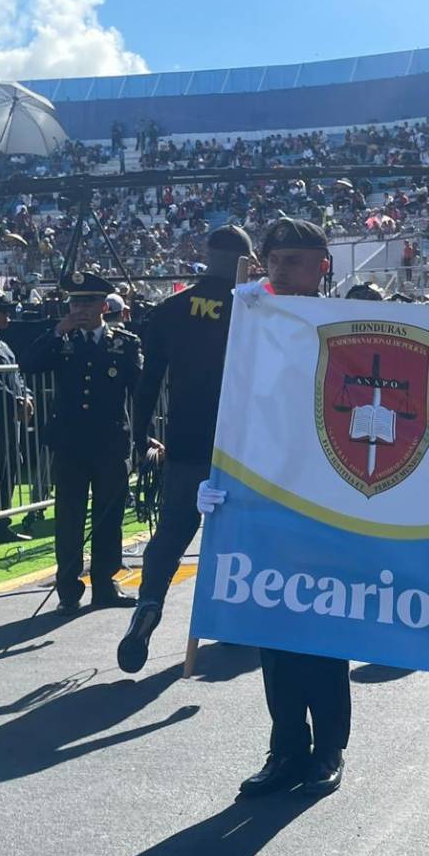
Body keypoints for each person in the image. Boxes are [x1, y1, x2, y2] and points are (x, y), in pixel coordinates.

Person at [196, 218, 352, 797]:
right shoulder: (249, 321)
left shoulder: (349, 324)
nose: (280, 269)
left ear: (322, 267)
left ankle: (328, 748)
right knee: (275, 627)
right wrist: (207, 475)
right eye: (273, 259)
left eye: (294, 259)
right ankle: (285, 746)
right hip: (261, 493)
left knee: (322, 632)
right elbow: (222, 402)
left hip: (329, 498)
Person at [118, 226, 255, 674]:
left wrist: (140, 440)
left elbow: (147, 385)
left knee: (173, 531)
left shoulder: (171, 309)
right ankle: (231, 619)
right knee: (235, 536)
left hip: (185, 441)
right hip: (241, 446)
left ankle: (150, 602)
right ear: (244, 261)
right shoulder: (252, 310)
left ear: (206, 256)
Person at [23, 271, 143, 615]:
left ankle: (105, 583)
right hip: (71, 444)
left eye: (88, 301)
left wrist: (144, 435)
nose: (81, 308)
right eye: (75, 302)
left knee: (109, 516)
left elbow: (140, 391)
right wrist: (59, 330)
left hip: (110, 442)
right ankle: (68, 588)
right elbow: (30, 364)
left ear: (104, 305)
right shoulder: (62, 341)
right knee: (70, 517)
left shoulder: (125, 342)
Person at [0, 292, 31, 544]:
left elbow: (17, 377)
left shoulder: (3, 344)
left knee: (8, 468)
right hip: (2, 416)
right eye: (3, 310)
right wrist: (14, 401)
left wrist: (26, 396)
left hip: (9, 422)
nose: (8, 314)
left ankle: (2, 522)